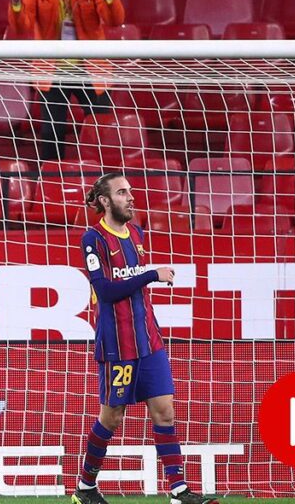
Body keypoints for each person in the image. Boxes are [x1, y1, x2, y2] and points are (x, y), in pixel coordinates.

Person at [73, 173, 216, 504]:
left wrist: (145, 277)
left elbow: (131, 284)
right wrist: (151, 274)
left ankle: (179, 491)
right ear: (105, 200)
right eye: (122, 192)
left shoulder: (136, 233)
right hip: (117, 345)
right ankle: (85, 487)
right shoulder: (93, 239)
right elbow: (106, 291)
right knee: (112, 418)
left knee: (165, 412)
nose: (130, 197)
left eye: (130, 191)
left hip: (149, 340)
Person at [7, 0, 125, 161]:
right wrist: (16, 3)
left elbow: (114, 20)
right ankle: (52, 177)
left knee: (100, 130)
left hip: (91, 69)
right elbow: (22, 26)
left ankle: (104, 176)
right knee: (52, 132)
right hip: (51, 71)